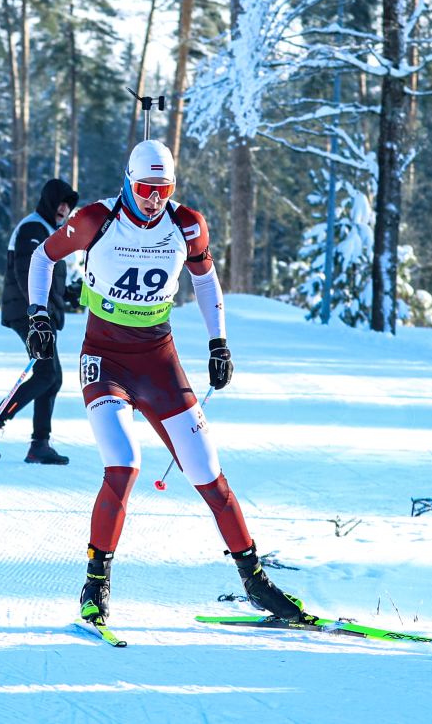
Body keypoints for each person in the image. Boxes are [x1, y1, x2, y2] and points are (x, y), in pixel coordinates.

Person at [24, 140, 305, 623]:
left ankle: (256, 583)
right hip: (105, 360)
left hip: (159, 362)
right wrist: (38, 315)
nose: (154, 199)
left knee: (209, 475)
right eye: (145, 189)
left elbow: (206, 280)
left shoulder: (187, 224)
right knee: (124, 464)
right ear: (128, 182)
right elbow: (42, 258)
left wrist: (219, 343)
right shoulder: (95, 219)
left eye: (164, 189)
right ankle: (95, 583)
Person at [0, 179, 78, 465]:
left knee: (51, 377)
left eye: (68, 205)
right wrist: (38, 315)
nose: (64, 209)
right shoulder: (33, 228)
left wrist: (70, 294)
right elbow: (26, 272)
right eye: (60, 202)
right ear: (48, 202)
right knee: (46, 375)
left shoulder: (50, 232)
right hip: (30, 313)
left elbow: (49, 279)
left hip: (40, 314)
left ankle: (39, 444)